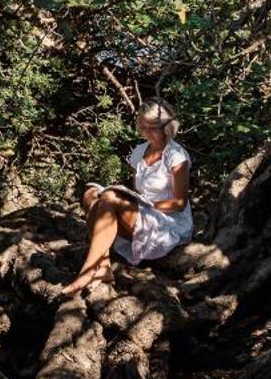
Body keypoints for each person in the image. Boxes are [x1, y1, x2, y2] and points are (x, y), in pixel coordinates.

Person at [62, 101, 192, 296]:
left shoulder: (176, 156)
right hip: (144, 212)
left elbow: (179, 204)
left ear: (166, 127)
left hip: (168, 221)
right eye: (142, 127)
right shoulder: (140, 151)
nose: (146, 132)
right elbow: (137, 189)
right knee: (91, 194)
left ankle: (87, 270)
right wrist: (136, 201)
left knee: (110, 197)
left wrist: (145, 204)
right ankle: (104, 265)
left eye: (152, 128)